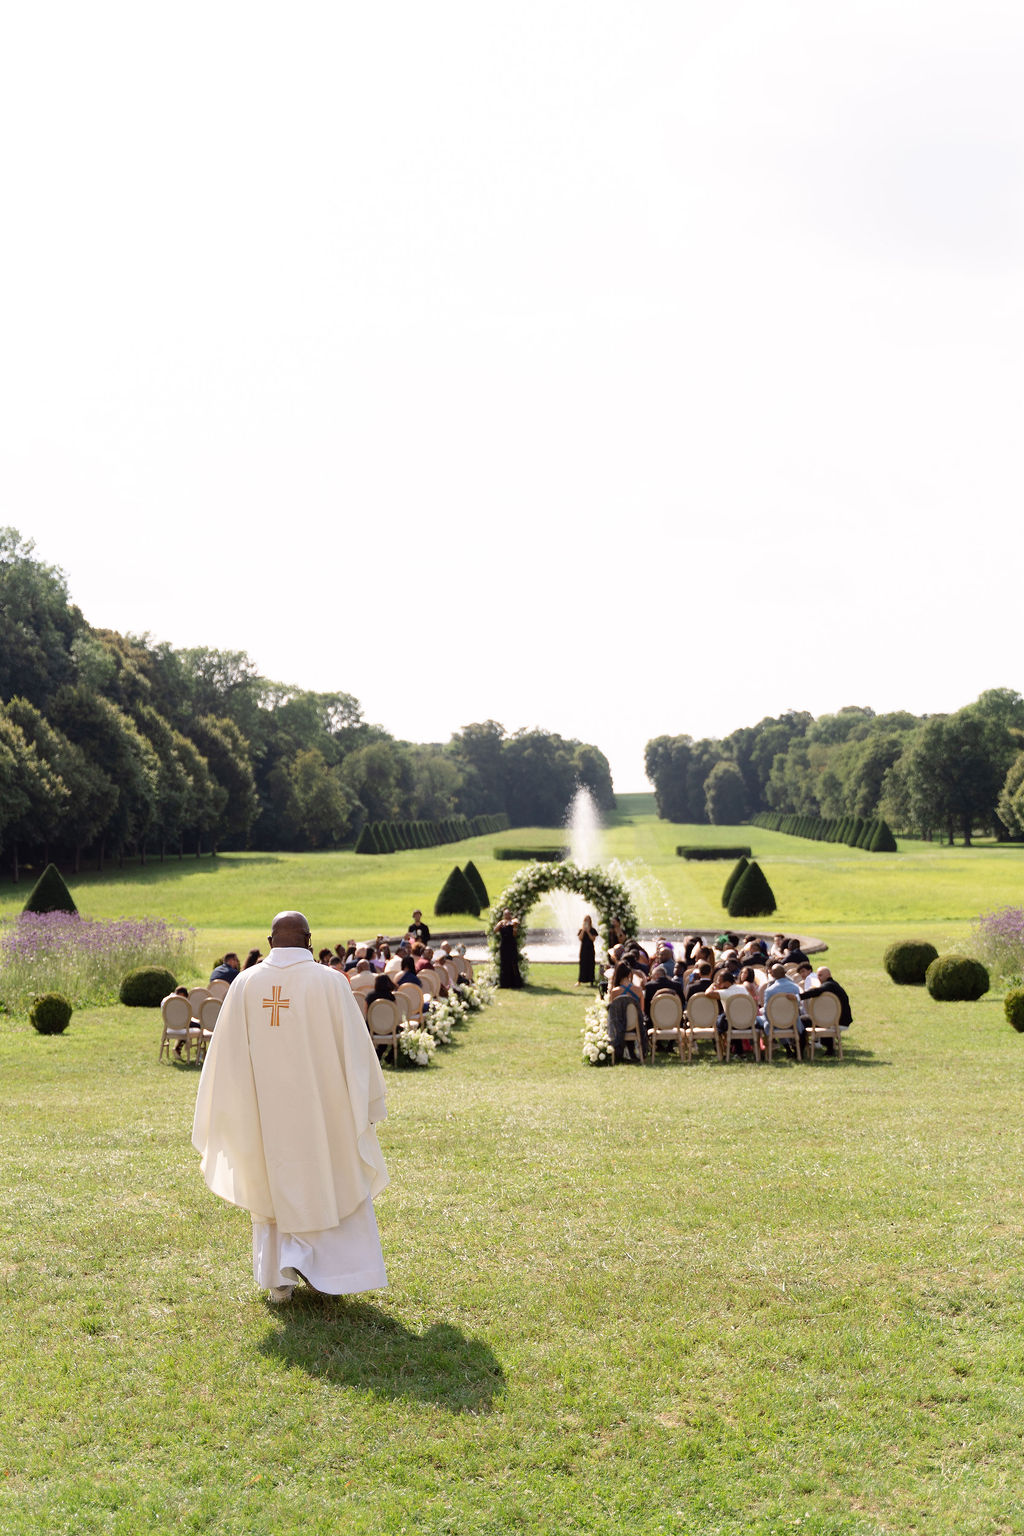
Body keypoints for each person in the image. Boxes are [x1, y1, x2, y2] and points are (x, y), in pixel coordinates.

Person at [192, 910, 390, 1305]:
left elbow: (225, 1059)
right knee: (331, 1179)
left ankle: (279, 1276)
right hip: (324, 1115)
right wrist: (366, 1101)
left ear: (270, 942)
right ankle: (335, 1274)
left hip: (265, 1117)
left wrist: (232, 1110)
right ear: (309, 940)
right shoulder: (332, 984)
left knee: (272, 1185)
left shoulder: (246, 983)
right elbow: (356, 1051)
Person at [495, 909, 523, 989]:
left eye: (508, 914)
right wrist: (500, 924)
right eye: (505, 914)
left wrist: (514, 926)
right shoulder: (502, 923)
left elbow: (515, 934)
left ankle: (515, 983)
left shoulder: (514, 921)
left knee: (513, 963)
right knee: (504, 963)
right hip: (504, 945)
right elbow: (495, 930)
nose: (507, 915)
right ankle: (504, 983)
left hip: (512, 945)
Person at [577, 915, 597, 986]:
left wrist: (588, 932)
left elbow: (593, 939)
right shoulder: (581, 930)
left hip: (590, 949)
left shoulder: (593, 930)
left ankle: (591, 981)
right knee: (582, 964)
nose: (586, 921)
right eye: (585, 920)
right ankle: (580, 980)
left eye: (588, 920)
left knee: (591, 964)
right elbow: (580, 938)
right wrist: (583, 930)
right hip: (583, 949)